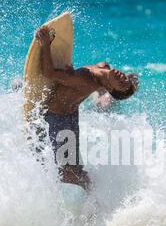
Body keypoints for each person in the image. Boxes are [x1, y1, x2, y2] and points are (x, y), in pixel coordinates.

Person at [35, 25, 138, 191]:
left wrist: (46, 44)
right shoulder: (104, 67)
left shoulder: (88, 80)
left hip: (57, 119)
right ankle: (95, 194)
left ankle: (94, 195)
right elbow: (95, 84)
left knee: (67, 173)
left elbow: (49, 73)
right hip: (70, 114)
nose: (122, 77)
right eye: (125, 79)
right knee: (72, 168)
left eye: (121, 83)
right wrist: (71, 77)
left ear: (111, 89)